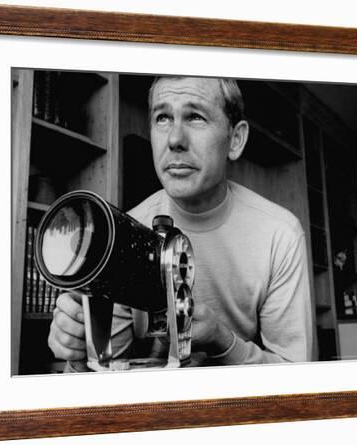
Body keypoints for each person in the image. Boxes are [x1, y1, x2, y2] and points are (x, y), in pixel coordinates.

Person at [47, 76, 313, 369]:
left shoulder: (280, 235)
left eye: (195, 117)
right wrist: (80, 357)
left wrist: (222, 341)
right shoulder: (122, 233)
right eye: (162, 118)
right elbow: (107, 380)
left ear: (235, 140)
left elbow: (294, 377)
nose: (174, 140)